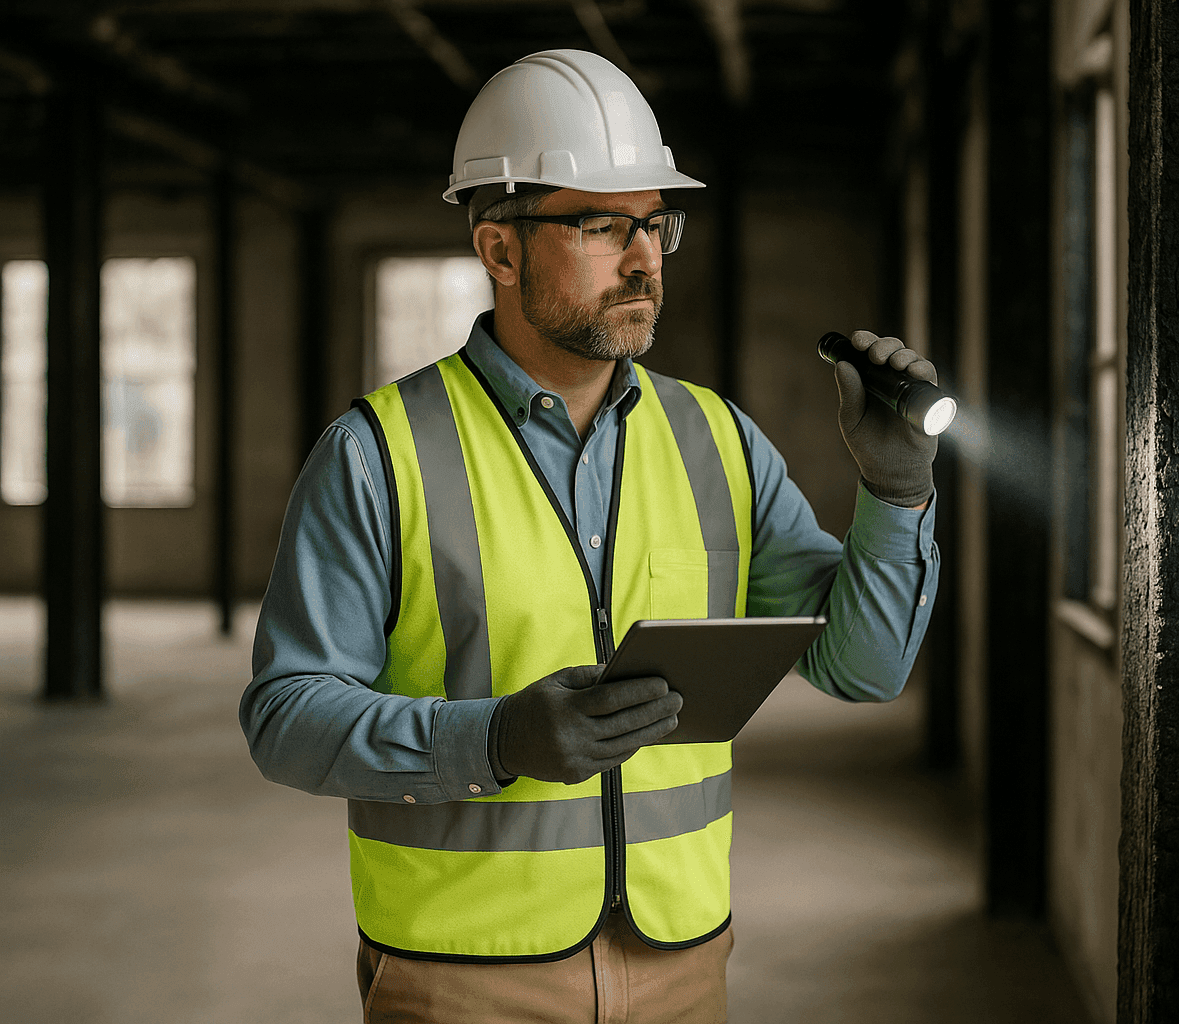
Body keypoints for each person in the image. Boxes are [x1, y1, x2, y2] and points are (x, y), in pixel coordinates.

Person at [240, 48, 940, 1024]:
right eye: (603, 225)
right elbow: (285, 717)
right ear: (500, 249)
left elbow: (863, 668)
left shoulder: (719, 440)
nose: (646, 258)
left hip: (683, 964)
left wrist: (897, 496)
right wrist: (493, 736)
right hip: (466, 973)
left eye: (656, 223)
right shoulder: (377, 454)